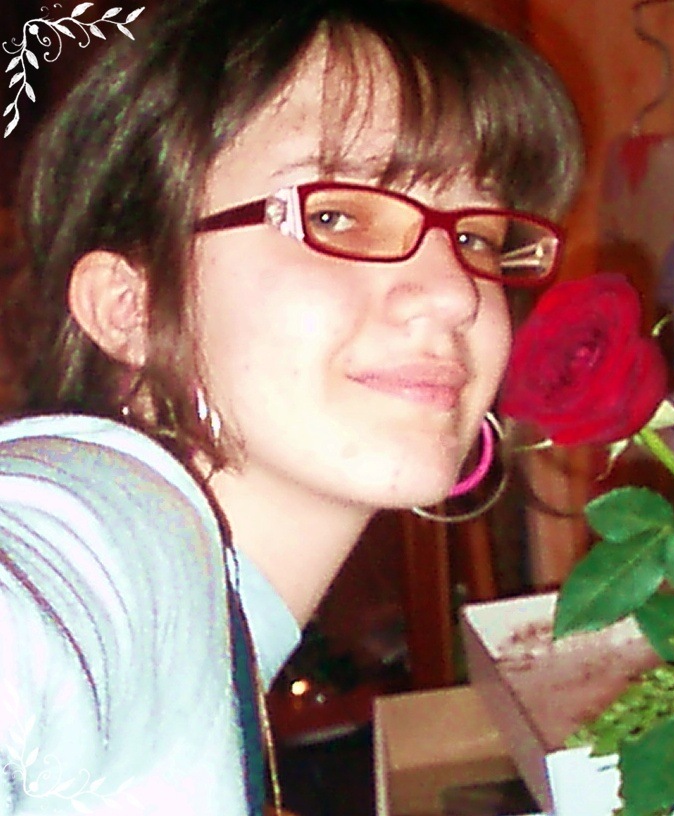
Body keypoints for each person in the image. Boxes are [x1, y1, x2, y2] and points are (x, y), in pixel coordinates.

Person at [0, 0, 583, 812]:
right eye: (336, 215)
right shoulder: (102, 526)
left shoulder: (215, 629)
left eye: (474, 236)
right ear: (130, 304)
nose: (456, 293)